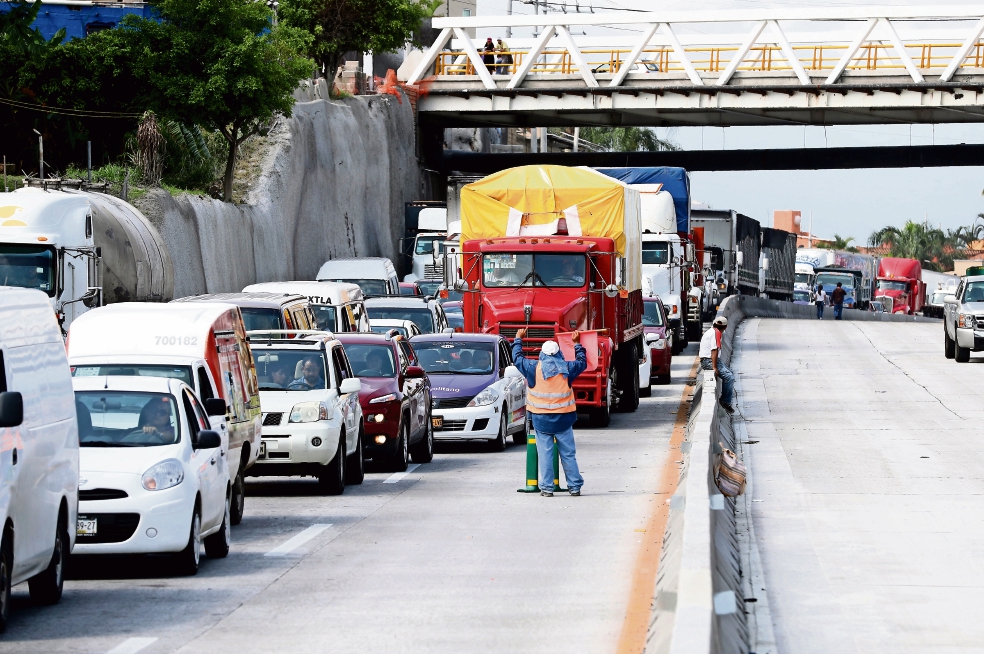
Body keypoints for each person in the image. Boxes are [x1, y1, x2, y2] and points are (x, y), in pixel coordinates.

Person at [512, 329, 587, 497]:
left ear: (542, 354)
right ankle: (574, 487)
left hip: (541, 419)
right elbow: (582, 362)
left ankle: (547, 488)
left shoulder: (533, 368)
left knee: (545, 454)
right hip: (564, 419)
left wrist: (518, 339)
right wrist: (576, 343)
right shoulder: (567, 368)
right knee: (568, 454)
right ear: (559, 353)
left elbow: (517, 359)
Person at [698, 316, 735, 414]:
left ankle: (726, 398)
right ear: (725, 327)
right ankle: (725, 401)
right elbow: (714, 350)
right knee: (729, 377)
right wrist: (714, 367)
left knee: (730, 372)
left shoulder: (712, 331)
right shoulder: (716, 333)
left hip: (710, 360)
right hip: (709, 361)